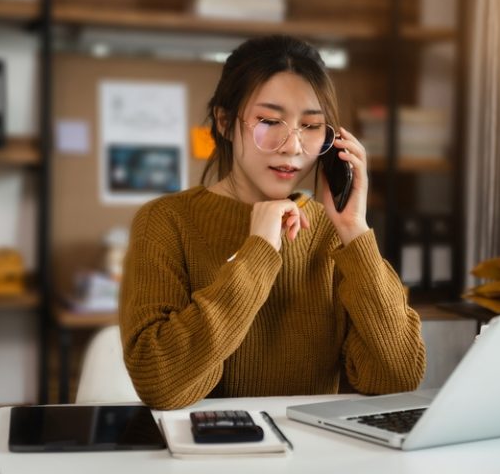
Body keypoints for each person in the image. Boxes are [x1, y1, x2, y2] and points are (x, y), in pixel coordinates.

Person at [119, 35, 426, 410]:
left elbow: (398, 376)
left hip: (316, 459)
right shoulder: (165, 221)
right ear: (225, 121)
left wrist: (354, 231)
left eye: (311, 126)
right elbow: (160, 383)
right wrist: (258, 254)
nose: (292, 146)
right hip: (208, 459)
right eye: (269, 121)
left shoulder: (334, 232)